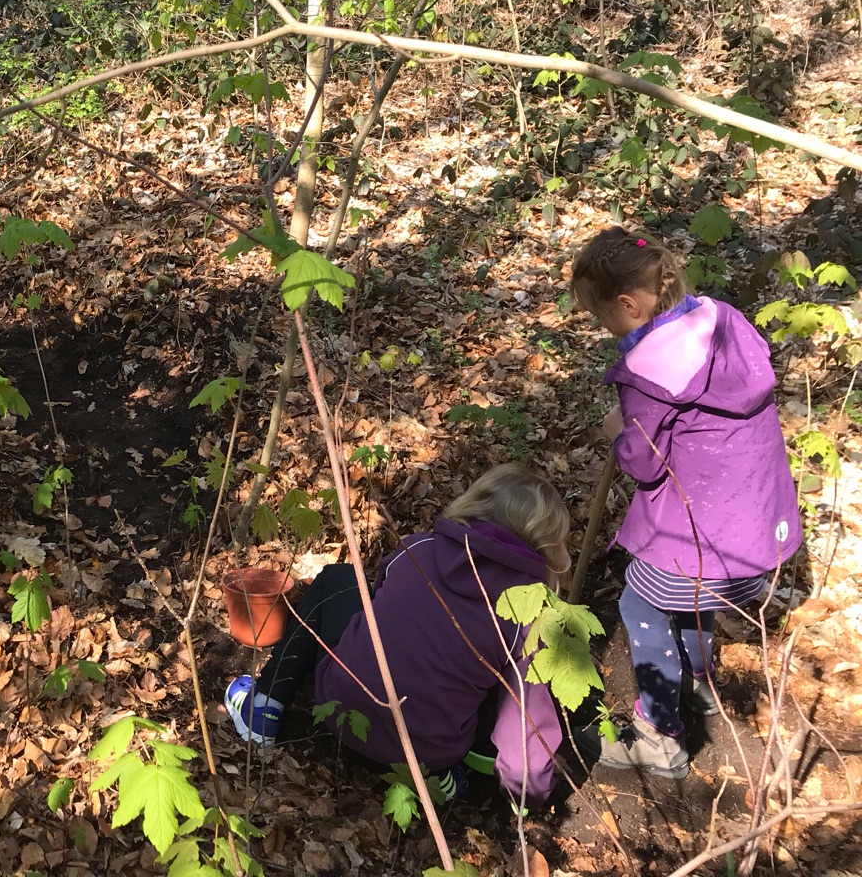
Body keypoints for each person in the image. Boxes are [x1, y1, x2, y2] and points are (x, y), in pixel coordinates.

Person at [570, 226, 800, 779]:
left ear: (628, 304)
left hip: (701, 535)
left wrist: (617, 431)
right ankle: (694, 685)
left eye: (602, 317)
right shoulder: (721, 321)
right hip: (756, 530)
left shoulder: (652, 372)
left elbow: (645, 461)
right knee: (690, 601)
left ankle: (660, 735)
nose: (603, 329)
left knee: (641, 605)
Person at [226, 464, 568, 807]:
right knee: (498, 681)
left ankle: (265, 703)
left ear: (476, 502)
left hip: (341, 710)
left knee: (340, 579)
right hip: (427, 758)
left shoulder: (419, 550)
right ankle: (440, 779)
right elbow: (527, 716)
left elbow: (382, 608)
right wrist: (527, 795)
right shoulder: (531, 614)